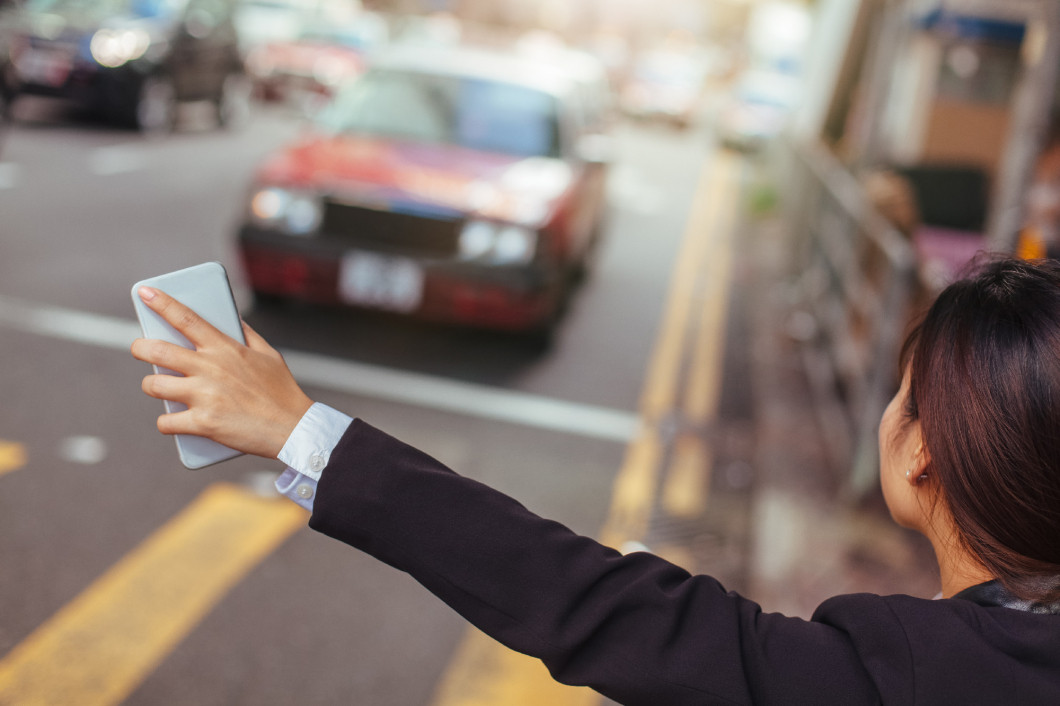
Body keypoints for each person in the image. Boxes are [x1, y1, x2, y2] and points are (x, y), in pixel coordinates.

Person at [130, 256, 1060, 705]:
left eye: (903, 395)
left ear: (925, 448)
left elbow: (591, 601)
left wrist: (297, 430)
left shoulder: (904, 681)